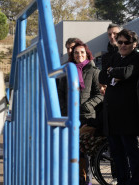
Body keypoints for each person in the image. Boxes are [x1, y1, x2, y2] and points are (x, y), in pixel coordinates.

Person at [98, 29, 139, 185]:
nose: (123, 45)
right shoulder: (114, 57)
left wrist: (113, 71)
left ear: (134, 44)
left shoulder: (138, 58)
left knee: (131, 150)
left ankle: (135, 180)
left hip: (128, 113)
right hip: (111, 113)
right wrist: (113, 73)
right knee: (116, 152)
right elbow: (102, 76)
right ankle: (122, 180)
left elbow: (127, 73)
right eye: (120, 42)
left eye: (127, 42)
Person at [58, 41, 103, 185]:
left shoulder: (94, 72)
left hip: (87, 116)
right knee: (71, 150)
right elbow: (61, 94)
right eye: (76, 52)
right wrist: (66, 110)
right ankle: (74, 179)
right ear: (72, 55)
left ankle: (86, 180)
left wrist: (87, 105)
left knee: (85, 151)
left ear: (87, 53)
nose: (79, 55)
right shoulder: (66, 72)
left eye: (82, 52)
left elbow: (99, 94)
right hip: (71, 116)